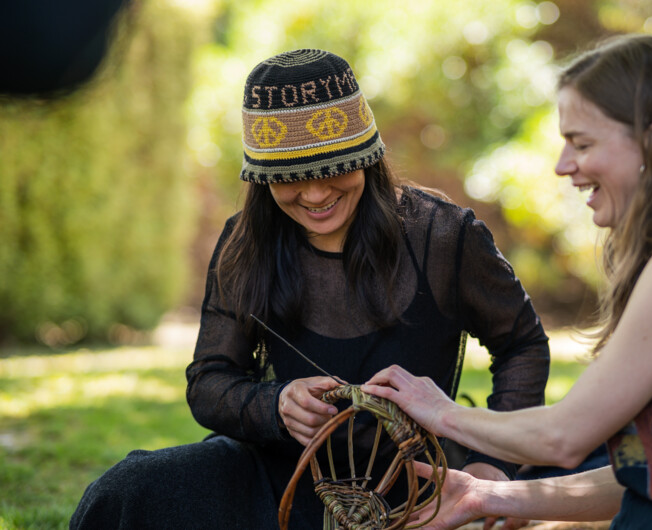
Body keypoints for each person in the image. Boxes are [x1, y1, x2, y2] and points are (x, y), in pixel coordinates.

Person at [70, 49, 550, 529]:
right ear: (262, 176)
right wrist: (275, 405)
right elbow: (209, 381)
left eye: (333, 168)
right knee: (128, 488)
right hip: (280, 477)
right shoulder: (246, 243)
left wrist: (495, 465)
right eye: (290, 177)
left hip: (413, 486)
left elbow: (521, 343)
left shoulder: (444, 236)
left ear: (367, 154)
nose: (316, 194)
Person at [364, 34, 652, 530]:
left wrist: (439, 412)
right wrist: (488, 496)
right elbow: (651, 478)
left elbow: (565, 436)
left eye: (581, 143)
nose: (563, 166)